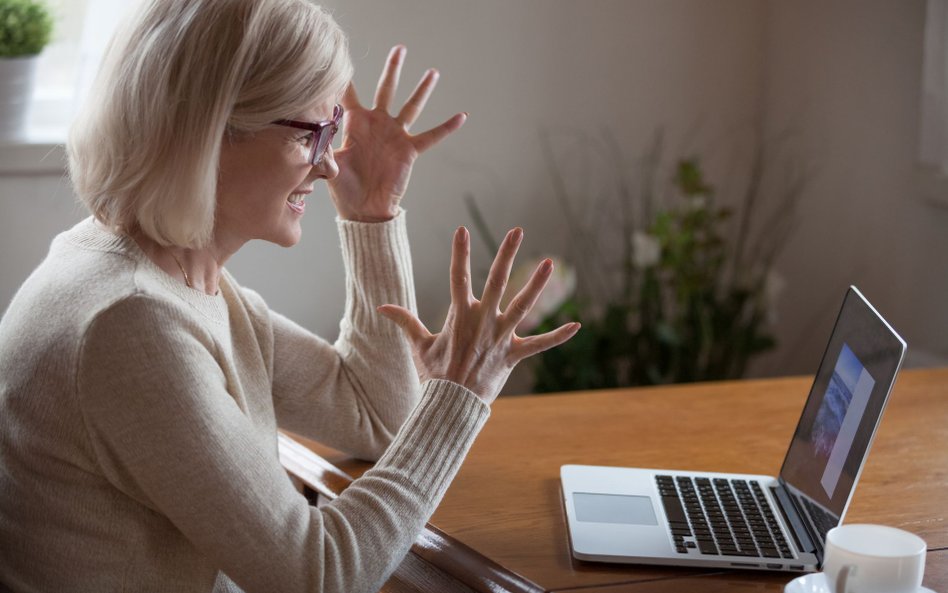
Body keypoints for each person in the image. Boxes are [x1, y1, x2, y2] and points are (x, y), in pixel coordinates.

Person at [0, 1, 580, 592]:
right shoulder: (128, 323)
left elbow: (376, 416)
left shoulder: (169, 278)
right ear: (211, 131)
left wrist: (372, 215)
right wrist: (458, 395)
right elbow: (318, 576)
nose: (330, 164)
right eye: (315, 133)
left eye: (336, 131)